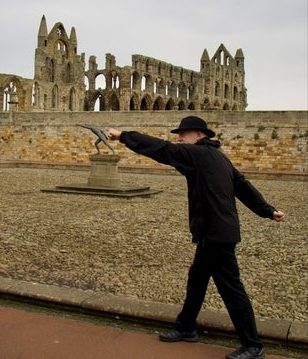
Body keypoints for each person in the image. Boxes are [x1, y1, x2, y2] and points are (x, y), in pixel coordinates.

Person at [108, 116, 285, 359]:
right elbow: (242, 186)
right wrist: (268, 210)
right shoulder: (220, 157)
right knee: (197, 280)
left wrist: (123, 136)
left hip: (216, 234)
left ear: (199, 135)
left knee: (232, 290)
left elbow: (162, 149)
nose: (179, 138)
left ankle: (254, 345)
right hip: (214, 233)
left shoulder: (198, 155)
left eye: (184, 133)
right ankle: (186, 327)